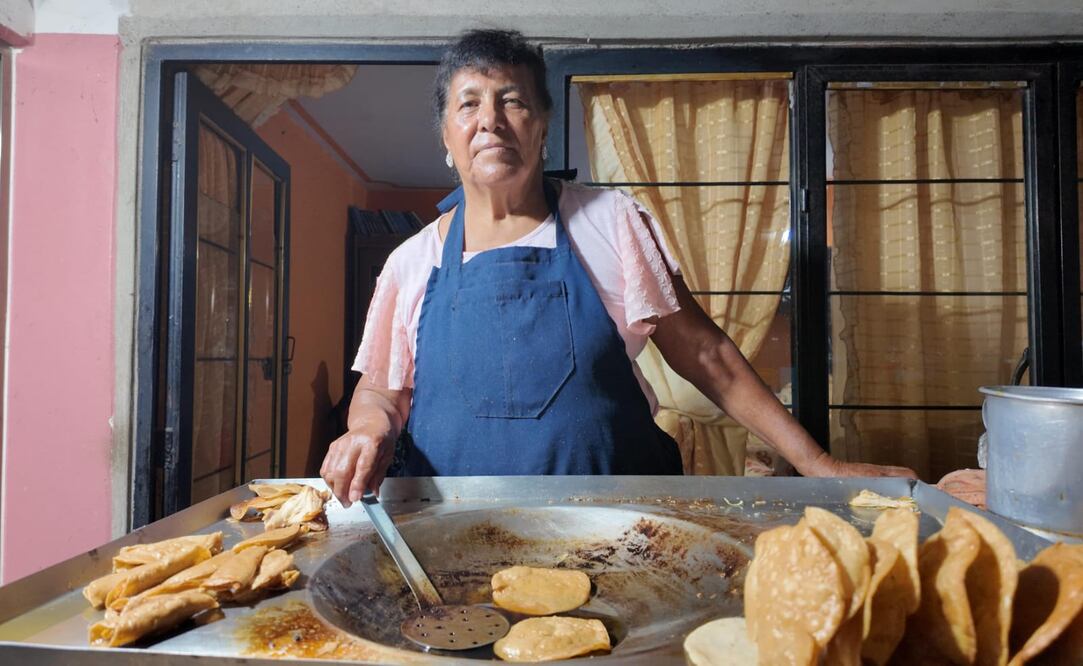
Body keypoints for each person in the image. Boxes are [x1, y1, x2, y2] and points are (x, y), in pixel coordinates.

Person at [321, 29, 916, 506]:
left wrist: (818, 464)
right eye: (469, 103)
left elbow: (706, 354)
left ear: (542, 127)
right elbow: (380, 391)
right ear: (446, 138)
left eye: (513, 101)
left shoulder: (612, 222)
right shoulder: (410, 262)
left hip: (619, 525)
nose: (491, 120)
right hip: (451, 529)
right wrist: (366, 429)